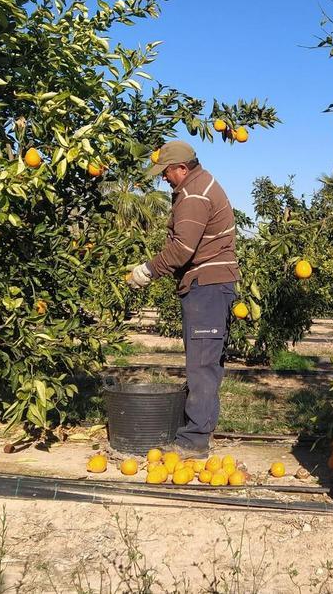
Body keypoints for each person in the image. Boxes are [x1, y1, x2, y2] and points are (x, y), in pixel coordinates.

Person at [125, 140, 239, 456]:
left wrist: (147, 271)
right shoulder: (199, 185)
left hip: (208, 286)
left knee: (201, 364)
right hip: (209, 285)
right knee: (204, 362)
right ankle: (194, 432)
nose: (164, 178)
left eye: (166, 172)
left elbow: (181, 250)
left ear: (182, 168)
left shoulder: (193, 195)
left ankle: (194, 441)